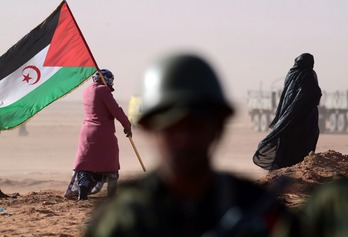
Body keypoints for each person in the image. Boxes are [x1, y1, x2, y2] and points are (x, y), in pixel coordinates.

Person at [84, 54, 301, 237]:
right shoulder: (122, 217)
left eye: (195, 126)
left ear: (218, 129)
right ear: (150, 130)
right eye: (171, 127)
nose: (184, 139)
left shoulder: (259, 210)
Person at [64, 69, 132, 201]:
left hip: (86, 131)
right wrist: (127, 126)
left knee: (86, 163)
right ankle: (112, 195)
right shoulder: (103, 90)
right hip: (103, 131)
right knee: (111, 162)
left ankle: (82, 194)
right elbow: (116, 110)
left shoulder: (86, 91)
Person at [253, 53, 322, 170]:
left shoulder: (290, 74)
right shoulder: (309, 74)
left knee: (287, 140)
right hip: (305, 117)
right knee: (304, 142)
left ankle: (284, 167)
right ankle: (297, 167)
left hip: (288, 115)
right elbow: (313, 94)